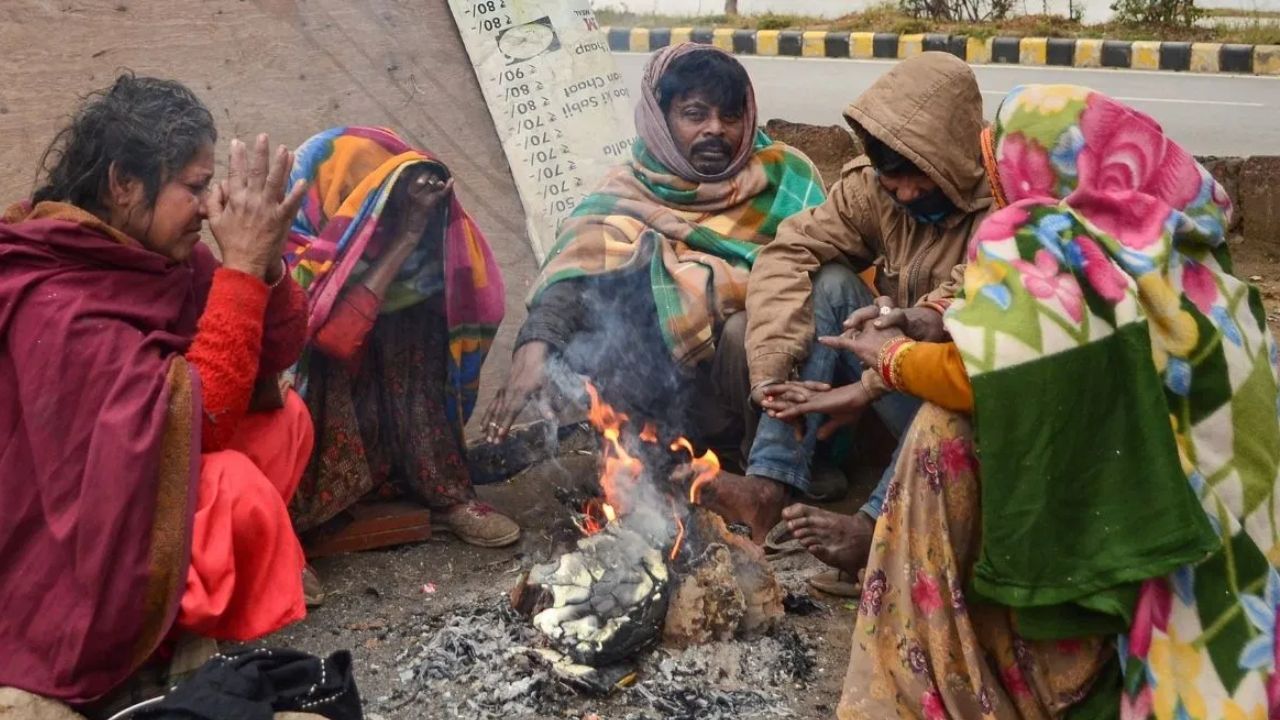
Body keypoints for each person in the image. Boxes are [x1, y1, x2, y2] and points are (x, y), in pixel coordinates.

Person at [773, 84, 1280, 718]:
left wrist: (889, 359)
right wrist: (934, 321)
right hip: (1252, 558)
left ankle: (1003, 654)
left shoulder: (1058, 242)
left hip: (1167, 552)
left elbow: (991, 379)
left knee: (946, 433)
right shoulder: (1182, 258)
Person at [0, 74, 313, 703]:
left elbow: (271, 354)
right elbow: (201, 422)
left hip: (138, 469)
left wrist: (267, 264)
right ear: (122, 184)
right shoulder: (55, 292)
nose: (206, 205)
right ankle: (153, 633)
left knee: (287, 421)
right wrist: (242, 272)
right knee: (234, 491)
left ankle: (185, 609)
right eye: (193, 187)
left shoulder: (156, 252)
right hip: (60, 537)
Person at [481, 44, 826, 473]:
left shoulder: (787, 177)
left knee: (745, 327)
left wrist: (698, 283)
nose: (715, 129)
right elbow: (577, 268)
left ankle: (774, 472)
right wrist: (533, 351)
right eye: (695, 114)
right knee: (606, 308)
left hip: (775, 395)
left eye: (730, 117)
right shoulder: (628, 186)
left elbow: (824, 277)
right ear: (660, 119)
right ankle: (654, 458)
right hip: (676, 398)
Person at [707, 51, 994, 550]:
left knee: (953, 401)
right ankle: (769, 484)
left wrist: (868, 380)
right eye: (892, 176)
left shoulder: (1004, 205)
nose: (903, 193)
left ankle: (874, 527)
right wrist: (774, 375)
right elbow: (788, 251)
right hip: (892, 371)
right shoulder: (870, 191)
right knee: (832, 281)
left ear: (951, 159)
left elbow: (968, 307)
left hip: (961, 389)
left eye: (917, 176)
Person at [283, 126, 519, 550]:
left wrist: (419, 225)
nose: (369, 225)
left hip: (387, 408)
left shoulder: (405, 249)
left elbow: (473, 295)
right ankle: (290, 536)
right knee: (317, 360)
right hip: (325, 404)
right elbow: (335, 336)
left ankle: (442, 491)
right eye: (362, 207)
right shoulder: (293, 241)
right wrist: (405, 237)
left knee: (420, 321)